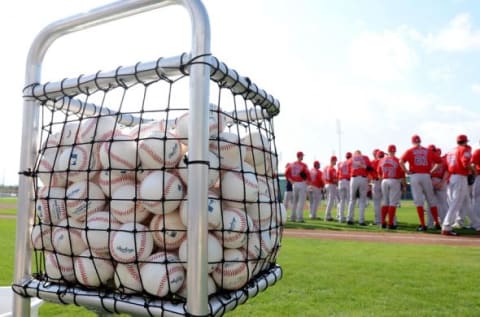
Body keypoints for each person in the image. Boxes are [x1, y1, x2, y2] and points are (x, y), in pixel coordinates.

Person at [399, 134, 442, 231]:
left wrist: (406, 171)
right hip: (426, 175)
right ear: (420, 141)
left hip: (415, 176)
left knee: (419, 201)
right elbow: (439, 162)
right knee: (431, 200)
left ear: (412, 141)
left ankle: (423, 225)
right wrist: (431, 171)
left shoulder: (410, 151)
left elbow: (401, 161)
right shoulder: (427, 151)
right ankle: (437, 222)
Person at [442, 134, 475, 236]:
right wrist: (474, 171)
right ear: (465, 141)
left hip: (452, 177)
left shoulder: (451, 150)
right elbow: (466, 163)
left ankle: (477, 224)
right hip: (460, 177)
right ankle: (446, 226)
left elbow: (446, 165)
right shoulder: (464, 149)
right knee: (456, 203)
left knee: (466, 203)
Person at [377, 144, 406, 229]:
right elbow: (402, 175)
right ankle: (390, 224)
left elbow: (379, 174)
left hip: (384, 181)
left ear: (388, 151)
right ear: (395, 151)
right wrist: (404, 185)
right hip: (394, 180)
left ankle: (382, 223)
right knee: (393, 203)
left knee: (385, 202)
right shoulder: (397, 160)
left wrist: (384, 179)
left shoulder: (382, 160)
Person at [346, 150, 373, 225]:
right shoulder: (365, 157)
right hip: (363, 178)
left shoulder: (351, 159)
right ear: (361, 153)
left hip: (354, 178)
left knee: (352, 200)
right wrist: (364, 166)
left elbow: (348, 169)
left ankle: (349, 219)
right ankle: (361, 220)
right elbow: (370, 168)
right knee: (362, 200)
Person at [285, 151, 311, 222]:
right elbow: (307, 175)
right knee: (301, 201)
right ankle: (299, 218)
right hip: (301, 183)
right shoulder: (303, 165)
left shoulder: (291, 164)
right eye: (302, 156)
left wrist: (291, 181)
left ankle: (292, 217)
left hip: (294, 184)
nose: (303, 157)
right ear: (300, 156)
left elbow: (286, 173)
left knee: (294, 202)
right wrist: (308, 182)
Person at [428, 146, 449, 227]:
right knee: (443, 204)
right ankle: (445, 223)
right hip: (441, 181)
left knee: (431, 204)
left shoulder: (429, 160)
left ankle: (430, 224)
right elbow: (447, 171)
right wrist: (442, 182)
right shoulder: (443, 160)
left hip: (432, 180)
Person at [336, 152, 352, 223]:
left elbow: (337, 174)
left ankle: (341, 217)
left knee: (342, 201)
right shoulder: (351, 162)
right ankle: (349, 217)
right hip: (347, 181)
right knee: (349, 200)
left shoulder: (340, 163)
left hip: (340, 181)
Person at [370, 149, 384, 225]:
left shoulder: (373, 162)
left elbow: (369, 171)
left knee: (376, 203)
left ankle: (378, 221)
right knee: (387, 202)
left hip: (376, 181)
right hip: (385, 181)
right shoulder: (386, 160)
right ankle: (393, 221)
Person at [323, 155, 338, 221]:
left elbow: (323, 177)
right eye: (335, 160)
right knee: (331, 201)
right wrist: (338, 183)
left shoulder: (325, 167)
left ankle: (328, 215)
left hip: (327, 184)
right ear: (333, 160)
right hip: (331, 184)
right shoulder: (332, 169)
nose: (336, 162)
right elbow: (334, 179)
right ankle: (327, 216)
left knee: (329, 201)